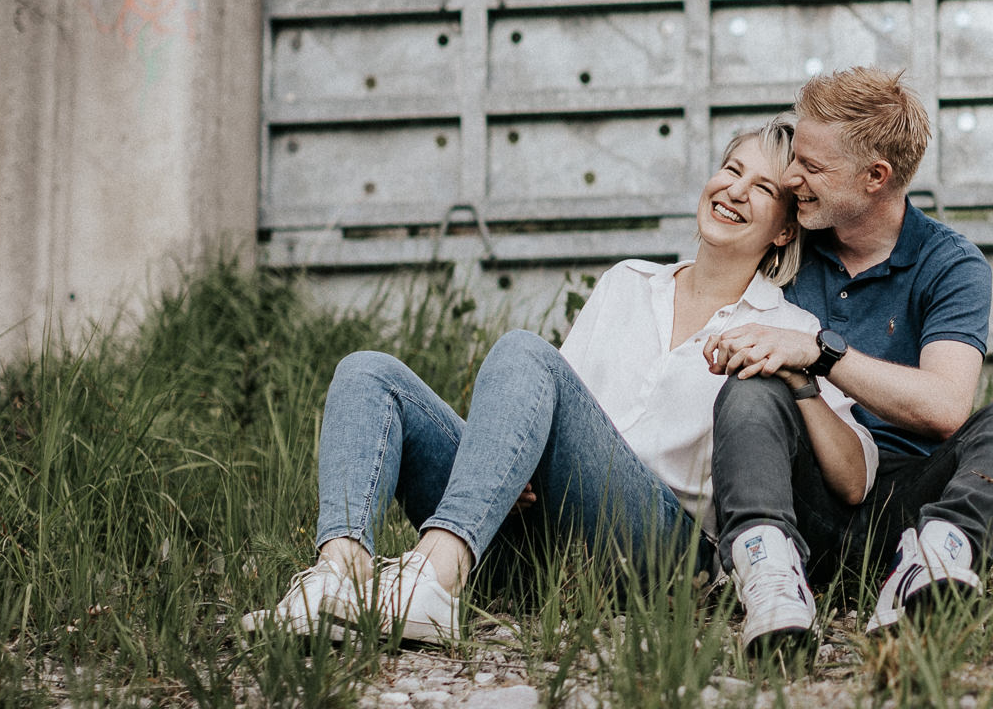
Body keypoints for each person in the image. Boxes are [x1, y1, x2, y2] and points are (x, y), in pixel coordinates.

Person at [242, 118, 878, 645]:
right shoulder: (627, 282)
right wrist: (512, 467)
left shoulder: (787, 326)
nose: (735, 190)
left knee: (524, 350)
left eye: (762, 188)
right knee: (368, 373)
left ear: (785, 228)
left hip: (662, 549)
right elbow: (550, 400)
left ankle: (436, 576)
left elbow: (853, 477)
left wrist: (803, 375)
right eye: (731, 170)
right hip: (545, 533)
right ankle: (339, 576)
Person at [704, 67, 993, 646]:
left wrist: (819, 354)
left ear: (875, 177)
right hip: (804, 494)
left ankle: (933, 568)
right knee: (752, 388)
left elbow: (944, 407)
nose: (792, 177)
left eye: (812, 167)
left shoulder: (950, 265)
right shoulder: (788, 242)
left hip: (910, 506)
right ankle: (769, 574)